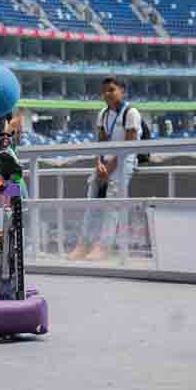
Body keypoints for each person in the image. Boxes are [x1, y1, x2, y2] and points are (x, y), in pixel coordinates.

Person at [68, 76, 142, 261]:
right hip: (104, 165)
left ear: (122, 91)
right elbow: (99, 142)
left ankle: (104, 246)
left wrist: (110, 166)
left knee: (112, 206)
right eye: (104, 91)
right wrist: (99, 163)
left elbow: (129, 144)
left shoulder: (131, 113)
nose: (107, 94)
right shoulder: (103, 114)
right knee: (91, 203)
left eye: (111, 90)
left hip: (123, 163)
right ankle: (84, 244)